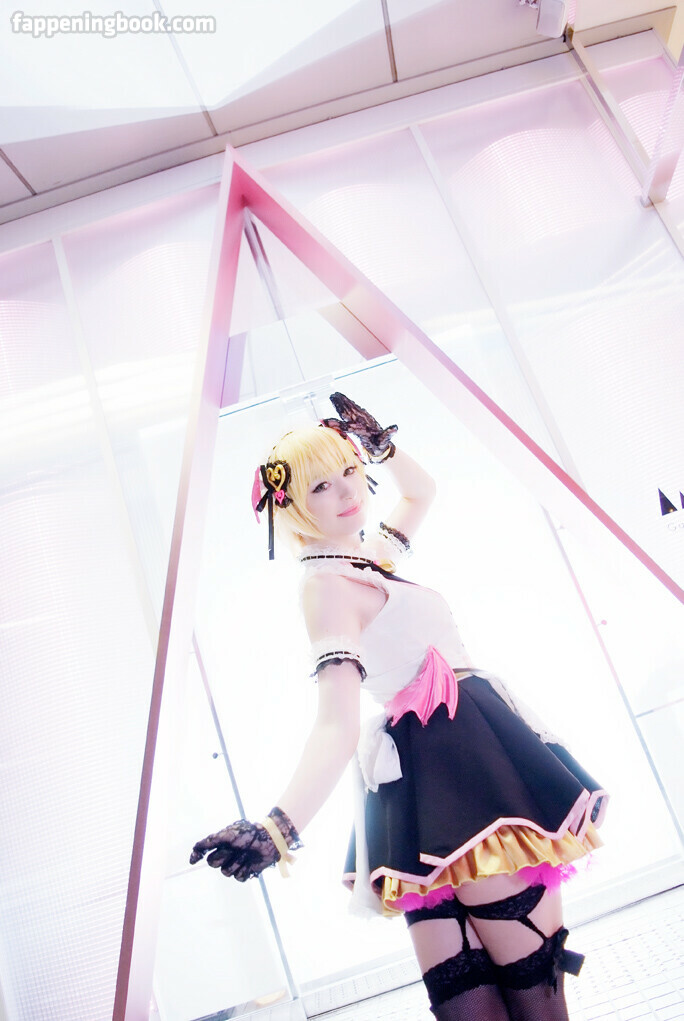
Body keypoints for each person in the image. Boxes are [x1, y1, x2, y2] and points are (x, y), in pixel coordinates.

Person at [190, 393, 607, 1020]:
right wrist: (278, 827)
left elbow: (420, 493)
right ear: (292, 507)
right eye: (320, 486)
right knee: (530, 1004)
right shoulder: (328, 587)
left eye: (350, 470)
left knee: (508, 1001)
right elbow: (335, 723)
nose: (346, 491)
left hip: (441, 779)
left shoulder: (366, 563)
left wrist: (382, 446)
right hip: (461, 774)